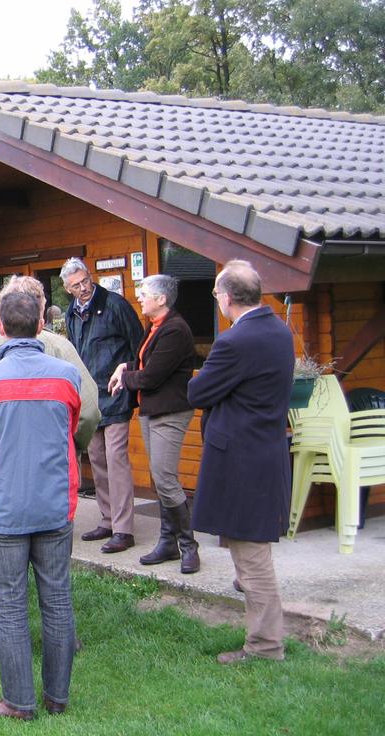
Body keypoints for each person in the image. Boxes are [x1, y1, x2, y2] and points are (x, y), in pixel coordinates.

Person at [0, 291, 88, 720]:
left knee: (11, 606)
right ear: (40, 326)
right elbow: (73, 426)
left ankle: (18, 702)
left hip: (5, 507)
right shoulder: (67, 377)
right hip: (55, 504)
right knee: (57, 599)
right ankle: (56, 697)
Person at [188, 259, 293, 664]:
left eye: (215, 293)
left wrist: (201, 381)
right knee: (248, 550)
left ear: (227, 298)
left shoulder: (235, 341)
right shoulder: (279, 332)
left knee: (252, 559)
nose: (216, 300)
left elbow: (199, 392)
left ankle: (265, 646)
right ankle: (260, 631)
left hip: (242, 460)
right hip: (264, 451)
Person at [108, 275, 199, 572]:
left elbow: (152, 377)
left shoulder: (175, 330)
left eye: (145, 293)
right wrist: (127, 365)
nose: (140, 297)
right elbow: (146, 365)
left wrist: (125, 376)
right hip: (152, 411)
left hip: (170, 412)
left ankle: (188, 546)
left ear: (162, 299)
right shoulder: (156, 326)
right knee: (161, 478)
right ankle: (168, 543)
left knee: (165, 478)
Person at [0, 275, 99, 453]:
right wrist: (69, 447)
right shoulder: (60, 346)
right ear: (39, 307)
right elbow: (89, 412)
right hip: (56, 466)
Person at [62, 258, 144, 554]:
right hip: (90, 397)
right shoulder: (71, 313)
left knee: (116, 458)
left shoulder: (115, 305)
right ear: (67, 288)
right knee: (97, 458)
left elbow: (140, 345)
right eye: (76, 285)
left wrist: (127, 367)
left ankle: (124, 529)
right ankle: (108, 519)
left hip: (117, 394)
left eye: (85, 281)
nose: (83, 288)